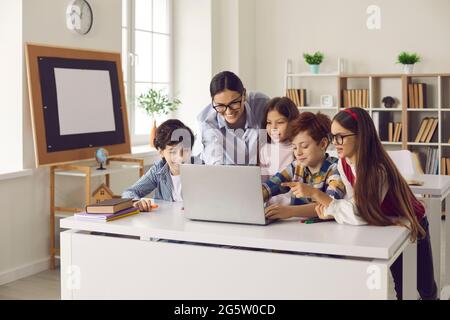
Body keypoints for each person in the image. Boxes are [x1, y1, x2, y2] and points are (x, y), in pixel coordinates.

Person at [304, 107, 437, 300]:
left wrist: (322, 199)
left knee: (426, 289)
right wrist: (335, 211)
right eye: (333, 137)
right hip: (387, 224)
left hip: (412, 223)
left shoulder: (377, 169)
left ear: (360, 136)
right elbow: (354, 202)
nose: (335, 143)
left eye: (340, 137)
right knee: (402, 287)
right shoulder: (344, 163)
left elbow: (360, 211)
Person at [262, 112, 345, 220]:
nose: (298, 153)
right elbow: (272, 185)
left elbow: (330, 205)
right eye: (295, 147)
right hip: (298, 228)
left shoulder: (336, 168)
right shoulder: (296, 166)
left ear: (323, 144)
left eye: (304, 146)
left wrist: (290, 211)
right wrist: (256, 195)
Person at [195, 71, 270, 165]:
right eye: (220, 106)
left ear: (244, 95)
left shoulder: (262, 104)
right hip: (226, 173)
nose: (228, 111)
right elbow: (213, 157)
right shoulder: (205, 121)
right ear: (213, 101)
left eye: (234, 103)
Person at [122, 119, 198, 211]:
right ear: (161, 152)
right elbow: (129, 192)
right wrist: (135, 201)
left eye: (185, 150)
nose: (180, 158)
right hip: (164, 223)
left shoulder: (203, 168)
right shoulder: (158, 170)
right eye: (173, 151)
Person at [259, 97, 299, 205]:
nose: (273, 128)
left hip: (292, 208)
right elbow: (262, 184)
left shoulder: (298, 149)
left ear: (293, 122)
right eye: (269, 122)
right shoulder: (265, 150)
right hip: (269, 207)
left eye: (280, 122)